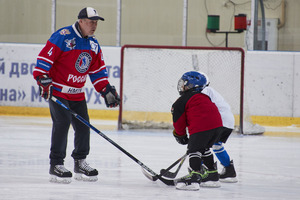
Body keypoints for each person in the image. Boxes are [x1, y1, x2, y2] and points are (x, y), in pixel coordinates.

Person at [33, 7, 120, 184]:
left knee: (83, 126)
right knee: (62, 122)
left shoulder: (93, 44)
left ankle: (80, 162)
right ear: (80, 21)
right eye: (90, 22)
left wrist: (105, 90)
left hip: (77, 93)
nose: (94, 25)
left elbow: (97, 71)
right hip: (58, 91)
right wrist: (42, 78)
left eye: (96, 22)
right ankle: (56, 163)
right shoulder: (63, 36)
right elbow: (44, 61)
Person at [171, 71, 223, 191]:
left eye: (184, 83)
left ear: (190, 85)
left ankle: (194, 179)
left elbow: (179, 122)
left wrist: (180, 136)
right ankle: (212, 175)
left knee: (194, 149)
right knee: (204, 148)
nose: (181, 86)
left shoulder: (181, 101)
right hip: (218, 126)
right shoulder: (204, 96)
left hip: (202, 128)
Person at [201, 73, 238, 183]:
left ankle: (203, 171)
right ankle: (229, 172)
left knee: (200, 146)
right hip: (228, 121)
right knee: (217, 146)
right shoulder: (210, 91)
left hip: (219, 120)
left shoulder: (204, 92)